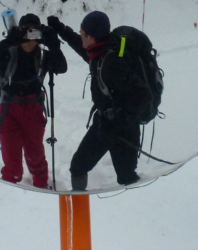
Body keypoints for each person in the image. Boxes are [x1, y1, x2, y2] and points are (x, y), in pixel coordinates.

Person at [47, 11, 148, 191]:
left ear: (92, 37)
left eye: (82, 32)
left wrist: (121, 120)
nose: (80, 35)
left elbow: (142, 95)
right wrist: (60, 29)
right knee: (78, 166)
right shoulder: (98, 53)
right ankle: (79, 209)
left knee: (127, 178)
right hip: (102, 125)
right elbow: (79, 44)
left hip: (123, 131)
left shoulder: (112, 63)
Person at [0, 13, 67, 188]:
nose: (30, 36)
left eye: (34, 32)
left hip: (33, 110)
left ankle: (41, 186)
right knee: (12, 163)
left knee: (36, 154)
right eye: (26, 31)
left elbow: (62, 67)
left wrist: (54, 45)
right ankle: (8, 192)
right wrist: (9, 41)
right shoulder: (8, 52)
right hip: (9, 110)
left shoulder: (44, 55)